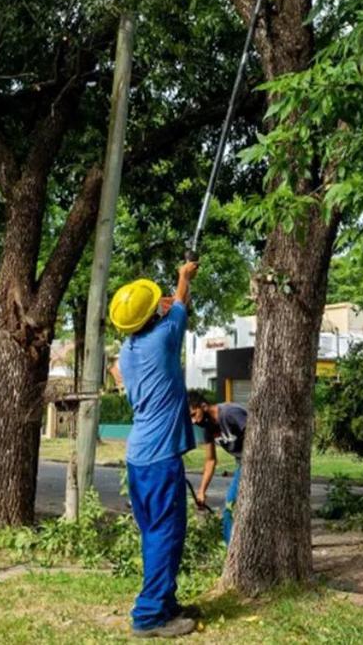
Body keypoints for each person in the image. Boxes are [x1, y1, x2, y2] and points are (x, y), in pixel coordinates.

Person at [111, 261, 199, 638]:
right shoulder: (164, 339)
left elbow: (168, 308)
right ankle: (149, 616)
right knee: (166, 533)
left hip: (138, 457)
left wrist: (159, 305)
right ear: (152, 316)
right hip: (161, 459)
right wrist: (183, 278)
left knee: (153, 532)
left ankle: (164, 601)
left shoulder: (127, 352)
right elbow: (180, 303)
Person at [188, 394, 247, 546]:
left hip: (256, 464)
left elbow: (258, 436)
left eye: (194, 415)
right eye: (191, 419)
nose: (195, 421)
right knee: (230, 509)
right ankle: (231, 552)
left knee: (232, 508)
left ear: (203, 406)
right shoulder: (208, 427)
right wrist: (201, 491)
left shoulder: (230, 413)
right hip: (242, 464)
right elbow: (210, 460)